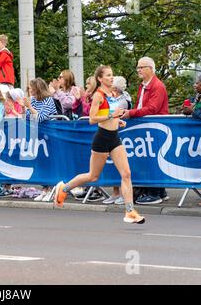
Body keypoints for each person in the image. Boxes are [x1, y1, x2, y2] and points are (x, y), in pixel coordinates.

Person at [54, 65, 145, 224]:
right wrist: (112, 115)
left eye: (112, 74)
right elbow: (92, 119)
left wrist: (118, 120)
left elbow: (108, 115)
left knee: (126, 174)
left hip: (114, 138)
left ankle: (130, 211)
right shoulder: (98, 95)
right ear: (100, 79)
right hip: (102, 138)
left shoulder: (113, 94)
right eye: (108, 75)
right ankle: (64, 189)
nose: (111, 77)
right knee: (92, 176)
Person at [120, 56, 169, 205]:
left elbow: (152, 108)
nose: (138, 70)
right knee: (147, 159)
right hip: (147, 127)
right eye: (138, 68)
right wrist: (132, 112)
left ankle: (155, 192)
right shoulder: (144, 85)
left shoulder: (158, 86)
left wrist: (131, 113)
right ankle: (156, 191)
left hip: (155, 127)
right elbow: (141, 105)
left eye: (141, 67)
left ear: (150, 69)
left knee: (152, 159)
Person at [23, 78, 57, 201]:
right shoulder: (32, 100)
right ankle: (45, 189)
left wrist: (29, 107)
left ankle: (52, 189)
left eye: (31, 87)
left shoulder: (48, 100)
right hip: (37, 135)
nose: (29, 90)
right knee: (40, 162)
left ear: (38, 88)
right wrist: (28, 108)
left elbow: (41, 117)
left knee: (49, 162)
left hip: (50, 135)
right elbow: (27, 116)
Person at [102, 76, 132, 205]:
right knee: (111, 164)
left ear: (115, 88)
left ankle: (123, 194)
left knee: (123, 168)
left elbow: (111, 113)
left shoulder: (123, 100)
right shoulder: (111, 98)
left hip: (121, 135)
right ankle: (115, 193)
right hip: (109, 133)